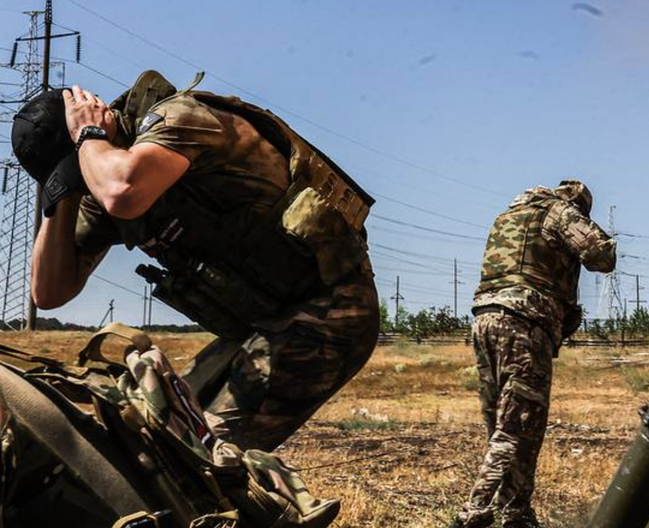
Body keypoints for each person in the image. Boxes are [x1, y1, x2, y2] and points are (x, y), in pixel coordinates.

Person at [11, 70, 379, 451]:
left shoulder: (180, 117)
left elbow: (123, 191)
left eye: (78, 172)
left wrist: (87, 137)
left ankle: (269, 508)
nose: (85, 182)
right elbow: (49, 292)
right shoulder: (99, 182)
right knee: (156, 434)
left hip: (332, 307)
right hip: (262, 325)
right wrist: (61, 198)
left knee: (201, 458)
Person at [451, 180, 617, 528]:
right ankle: (474, 511)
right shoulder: (560, 212)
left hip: (485, 319)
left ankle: (516, 511)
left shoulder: (508, 216)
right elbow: (602, 256)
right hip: (525, 323)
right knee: (517, 424)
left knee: (504, 423)